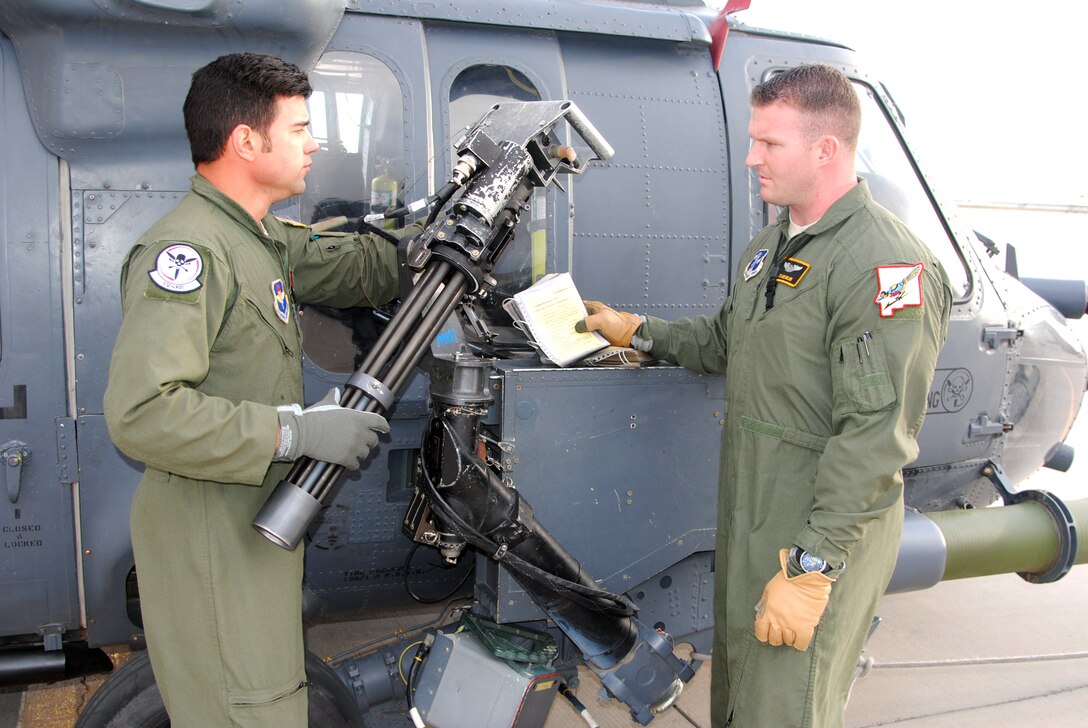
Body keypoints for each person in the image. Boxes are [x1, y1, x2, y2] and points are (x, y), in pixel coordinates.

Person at [580, 64, 951, 727]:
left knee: (784, 709)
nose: (751, 157)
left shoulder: (885, 268)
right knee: (741, 702)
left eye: (769, 144)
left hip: (818, 526)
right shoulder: (772, 247)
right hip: (754, 513)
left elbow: (875, 436)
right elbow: (728, 341)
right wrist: (639, 332)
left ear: (825, 149)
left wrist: (811, 568)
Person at [103, 52, 414, 726]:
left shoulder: (257, 238)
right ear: (246, 140)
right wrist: (295, 431)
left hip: (246, 524)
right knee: (251, 710)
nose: (314, 143)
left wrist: (428, 241)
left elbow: (350, 266)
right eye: (300, 128)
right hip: (213, 539)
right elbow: (141, 414)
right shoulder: (190, 252)